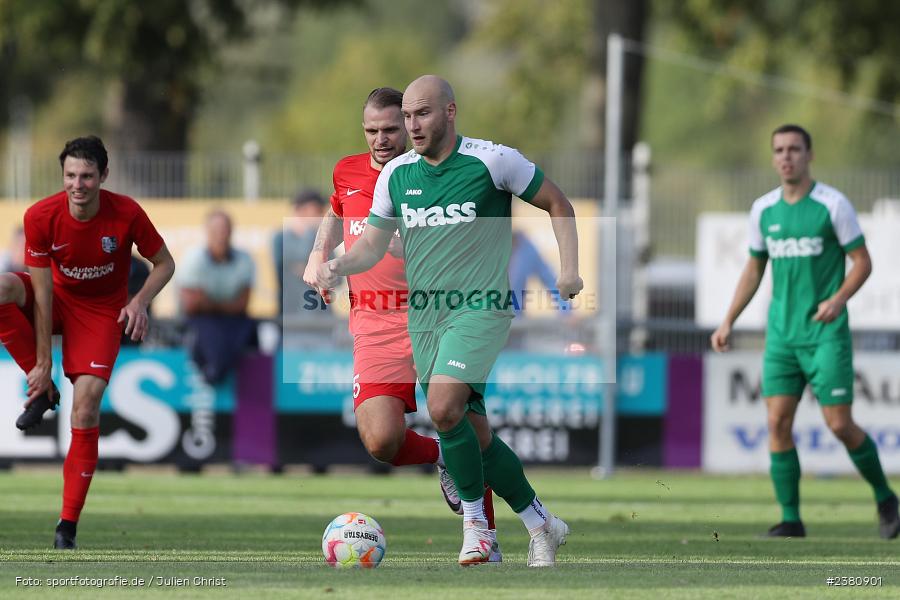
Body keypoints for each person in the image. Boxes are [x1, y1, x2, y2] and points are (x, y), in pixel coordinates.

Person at [315, 76, 583, 566]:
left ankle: (477, 529)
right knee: (470, 432)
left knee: (441, 407)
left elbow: (557, 203)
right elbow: (371, 244)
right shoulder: (397, 175)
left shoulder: (493, 160)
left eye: (421, 115)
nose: (412, 126)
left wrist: (568, 270)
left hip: (480, 307)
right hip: (425, 315)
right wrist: (335, 264)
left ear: (450, 112)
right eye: (409, 117)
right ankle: (540, 523)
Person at [303, 87, 501, 561]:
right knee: (381, 440)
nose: (381, 139)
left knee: (467, 426)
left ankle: (486, 540)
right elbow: (335, 211)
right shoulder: (347, 170)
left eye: (391, 129)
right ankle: (442, 458)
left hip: (437, 313)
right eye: (371, 130)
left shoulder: (430, 172)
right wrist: (317, 255)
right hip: (373, 320)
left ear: (411, 125)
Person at [711, 124, 899, 540]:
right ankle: (791, 519)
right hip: (781, 337)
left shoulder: (832, 205)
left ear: (809, 155)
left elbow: (863, 262)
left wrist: (839, 299)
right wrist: (729, 320)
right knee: (777, 422)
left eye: (794, 149)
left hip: (825, 334)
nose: (786, 156)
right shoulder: (764, 210)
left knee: (838, 424)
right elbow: (755, 267)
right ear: (773, 156)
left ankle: (886, 497)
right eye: (779, 149)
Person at [0, 136, 175, 549]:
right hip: (57, 301)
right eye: (71, 176)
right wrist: (40, 365)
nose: (78, 185)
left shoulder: (127, 213)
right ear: (62, 176)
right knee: (3, 288)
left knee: (86, 406)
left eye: (87, 176)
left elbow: (165, 263)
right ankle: (42, 390)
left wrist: (139, 302)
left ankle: (66, 526)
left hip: (100, 315)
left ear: (103, 177)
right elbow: (41, 295)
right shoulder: (40, 217)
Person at [177, 209, 256, 385]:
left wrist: (208, 302)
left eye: (224, 230)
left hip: (232, 320)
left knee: (251, 334)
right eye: (216, 230)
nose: (221, 235)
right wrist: (225, 304)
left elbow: (242, 305)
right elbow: (191, 305)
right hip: (202, 321)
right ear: (207, 232)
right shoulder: (193, 259)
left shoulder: (244, 259)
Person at [273, 188, 327, 316]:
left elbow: (334, 277)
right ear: (301, 211)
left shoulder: (324, 240)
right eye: (317, 211)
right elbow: (287, 274)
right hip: (292, 313)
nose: (322, 215)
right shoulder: (281, 239)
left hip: (321, 315)